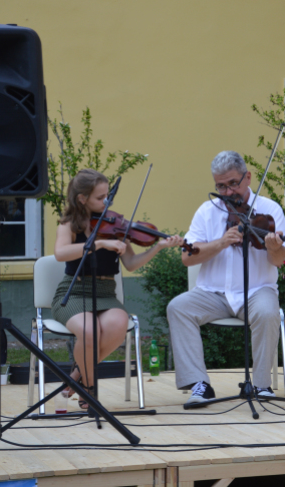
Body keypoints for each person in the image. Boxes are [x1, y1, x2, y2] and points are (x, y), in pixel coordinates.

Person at [53, 169, 184, 409]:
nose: (106, 202)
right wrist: (99, 243)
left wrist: (158, 247)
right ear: (82, 198)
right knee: (90, 331)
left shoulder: (116, 225)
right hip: (74, 293)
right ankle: (90, 392)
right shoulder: (70, 223)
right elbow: (60, 253)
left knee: (117, 325)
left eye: (107, 197)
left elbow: (131, 264)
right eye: (100, 198)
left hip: (106, 292)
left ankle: (76, 378)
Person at [166, 151, 285, 405]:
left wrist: (274, 247)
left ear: (248, 177)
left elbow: (279, 261)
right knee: (178, 307)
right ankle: (199, 384)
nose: (227, 191)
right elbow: (187, 257)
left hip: (257, 290)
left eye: (233, 183)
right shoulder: (206, 212)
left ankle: (262, 386)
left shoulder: (269, 209)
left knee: (268, 312)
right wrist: (220, 243)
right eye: (220, 186)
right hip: (213, 293)